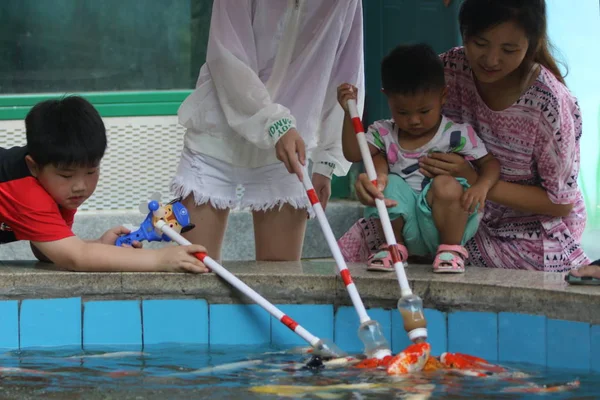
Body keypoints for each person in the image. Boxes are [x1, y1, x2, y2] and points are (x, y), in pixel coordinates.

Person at [348, 0, 590, 272]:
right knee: (362, 247)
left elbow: (560, 204)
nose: (491, 60)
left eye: (509, 49)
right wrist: (376, 176)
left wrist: (475, 180)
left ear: (531, 44)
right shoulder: (449, 69)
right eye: (479, 43)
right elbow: (397, 132)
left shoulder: (549, 103)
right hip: (440, 211)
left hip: (525, 231)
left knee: (457, 259)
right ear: (463, 31)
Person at [171, 0, 366, 262]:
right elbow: (226, 56)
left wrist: (327, 160)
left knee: (282, 281)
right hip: (218, 135)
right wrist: (275, 123)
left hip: (290, 149)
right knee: (194, 272)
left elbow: (346, 75)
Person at [338, 44, 500, 273]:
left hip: (444, 224)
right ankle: (393, 247)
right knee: (386, 184)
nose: (414, 120)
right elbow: (353, 153)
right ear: (388, 98)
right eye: (403, 112)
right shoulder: (383, 133)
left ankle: (452, 251)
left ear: (443, 96)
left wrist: (482, 186)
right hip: (403, 225)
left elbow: (490, 163)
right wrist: (348, 112)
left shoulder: (456, 134)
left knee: (445, 183)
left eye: (424, 111)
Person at [0, 96, 208, 273]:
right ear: (34, 167)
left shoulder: (55, 185)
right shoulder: (23, 190)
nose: (80, 185)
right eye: (66, 175)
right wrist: (160, 260)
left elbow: (48, 251)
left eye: (91, 171)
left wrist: (100, 246)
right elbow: (76, 258)